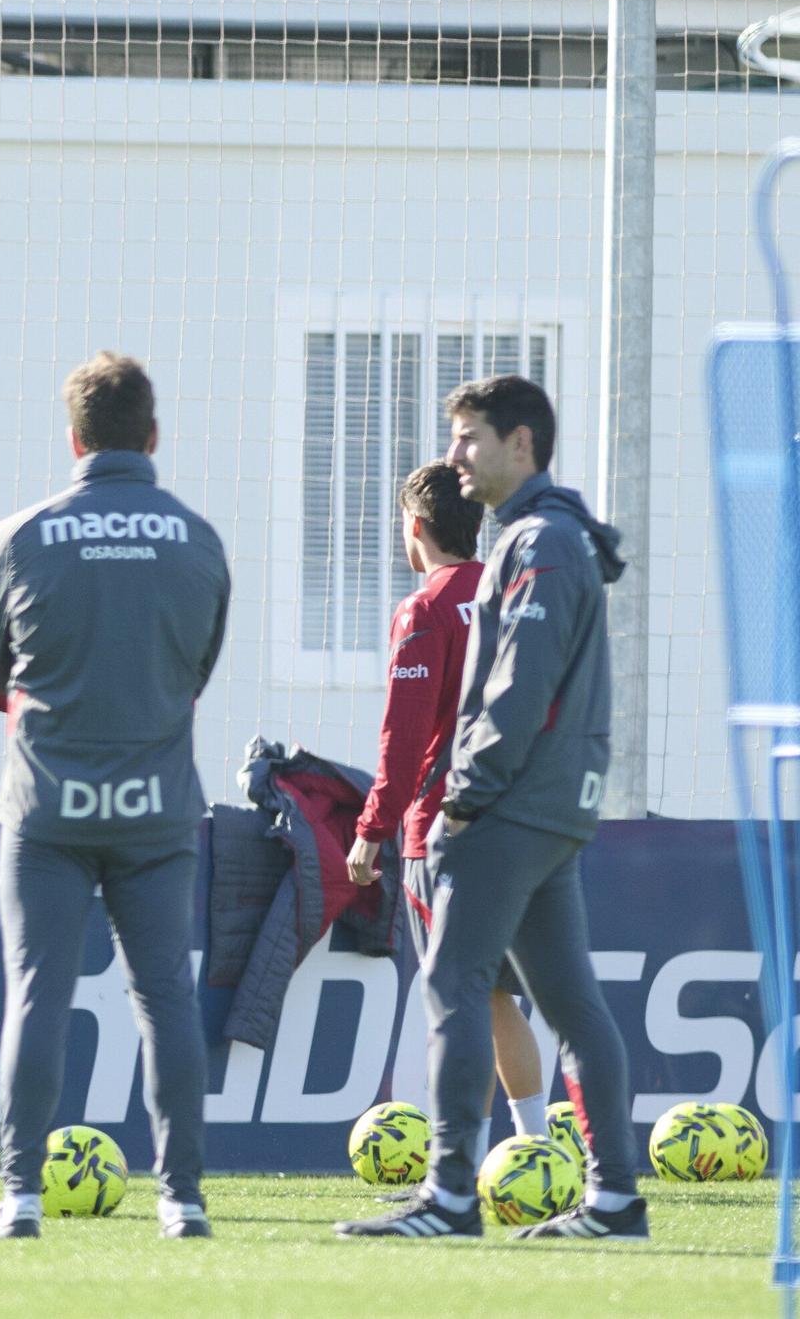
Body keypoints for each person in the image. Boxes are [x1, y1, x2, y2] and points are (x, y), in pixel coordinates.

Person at [336, 374, 644, 1241]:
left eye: (471, 437)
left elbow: (520, 687)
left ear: (522, 444)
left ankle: (451, 1198)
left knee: (454, 983)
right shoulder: (541, 535)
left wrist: (463, 799)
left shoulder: (539, 540)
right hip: (551, 804)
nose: (457, 455)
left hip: (505, 806)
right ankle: (615, 1201)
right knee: (571, 1002)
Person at [0, 352, 229, 1241]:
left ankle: (22, 1200)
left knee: (36, 992)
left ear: (73, 437)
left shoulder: (21, 536)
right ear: (153, 436)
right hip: (158, 807)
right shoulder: (197, 538)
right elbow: (198, 670)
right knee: (166, 1000)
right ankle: (183, 1201)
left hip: (46, 808)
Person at [345, 461, 546, 1189]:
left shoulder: (423, 608)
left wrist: (373, 826)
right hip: (522, 822)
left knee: (455, 995)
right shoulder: (511, 593)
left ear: (416, 528)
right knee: (497, 993)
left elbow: (404, 737)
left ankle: (455, 1166)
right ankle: (538, 1151)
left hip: (445, 830)